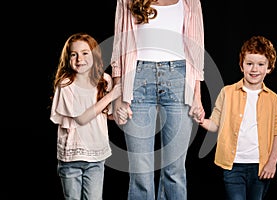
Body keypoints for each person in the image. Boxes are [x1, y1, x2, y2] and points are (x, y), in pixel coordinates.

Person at [110, 0, 205, 199]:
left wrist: (197, 96)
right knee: (141, 172)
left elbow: (196, 49)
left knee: (175, 170)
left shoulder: (190, 2)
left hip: (179, 79)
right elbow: (119, 45)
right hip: (136, 79)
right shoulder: (127, 1)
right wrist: (117, 96)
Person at [199, 35, 277, 200]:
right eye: (249, 63)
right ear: (241, 65)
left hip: (260, 167)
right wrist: (200, 119)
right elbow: (215, 124)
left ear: (269, 68)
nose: (254, 69)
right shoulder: (227, 92)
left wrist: (272, 162)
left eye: (260, 64)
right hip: (233, 166)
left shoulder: (273, 99)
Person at [50, 32, 121, 200]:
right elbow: (81, 118)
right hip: (71, 158)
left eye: (84, 53)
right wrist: (111, 96)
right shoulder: (66, 84)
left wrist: (121, 110)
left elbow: (108, 115)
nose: (79, 59)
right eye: (73, 54)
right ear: (67, 58)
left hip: (96, 156)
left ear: (94, 54)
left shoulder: (104, 80)